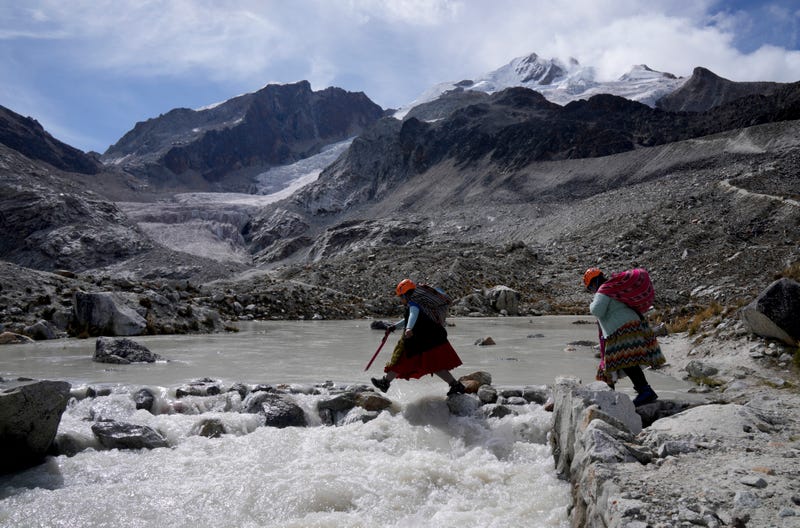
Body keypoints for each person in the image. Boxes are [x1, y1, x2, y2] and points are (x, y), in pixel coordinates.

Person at [583, 267, 666, 406]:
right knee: (621, 362)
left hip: (622, 329)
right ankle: (616, 396)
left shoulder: (603, 290)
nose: (592, 290)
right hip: (630, 327)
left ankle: (643, 392)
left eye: (590, 287)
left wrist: (591, 303)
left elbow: (597, 310)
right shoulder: (613, 287)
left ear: (593, 283)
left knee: (625, 360)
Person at [371, 279, 466, 396]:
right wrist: (394, 327)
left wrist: (408, 328)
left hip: (422, 341)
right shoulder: (420, 303)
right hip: (431, 339)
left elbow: (412, 315)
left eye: (401, 297)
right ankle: (456, 385)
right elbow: (408, 318)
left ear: (405, 294)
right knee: (435, 365)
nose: (401, 300)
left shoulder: (414, 304)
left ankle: (385, 383)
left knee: (401, 361)